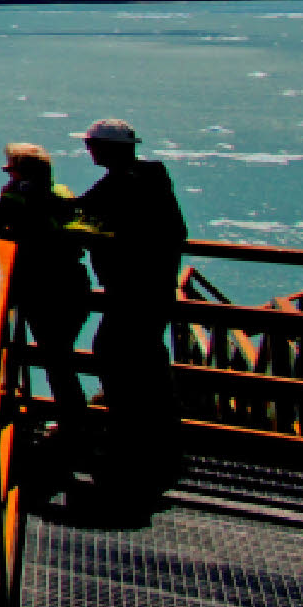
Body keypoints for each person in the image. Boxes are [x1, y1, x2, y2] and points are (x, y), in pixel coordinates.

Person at [67, 117, 187, 442]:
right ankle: (155, 431)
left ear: (107, 148)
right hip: (152, 289)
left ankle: (132, 433)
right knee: (144, 356)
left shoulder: (126, 183)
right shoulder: (144, 177)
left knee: (117, 352)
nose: (89, 150)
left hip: (136, 292)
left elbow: (80, 211)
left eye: (92, 145)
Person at [0, 143, 89, 423]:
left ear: (21, 174)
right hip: (74, 282)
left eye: (10, 171)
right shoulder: (62, 193)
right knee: (60, 357)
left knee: (53, 359)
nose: (7, 176)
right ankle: (74, 419)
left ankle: (71, 424)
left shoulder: (17, 196)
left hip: (42, 287)